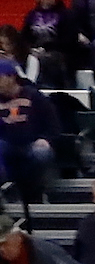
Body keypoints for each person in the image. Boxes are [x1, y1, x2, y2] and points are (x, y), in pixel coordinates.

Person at [0, 58, 61, 203]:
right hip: (7, 145)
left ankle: (37, 192)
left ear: (11, 77)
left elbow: (53, 125)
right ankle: (7, 193)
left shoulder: (34, 96)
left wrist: (46, 139)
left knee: (40, 152)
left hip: (32, 143)